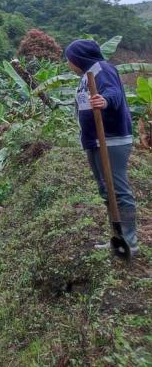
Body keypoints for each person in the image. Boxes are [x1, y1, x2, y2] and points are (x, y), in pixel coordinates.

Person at [65, 39, 139, 256]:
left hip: (111, 140)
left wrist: (104, 100)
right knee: (107, 191)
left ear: (79, 58)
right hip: (95, 141)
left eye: (69, 58)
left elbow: (114, 93)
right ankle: (117, 238)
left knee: (119, 191)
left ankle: (130, 241)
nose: (68, 63)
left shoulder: (102, 69)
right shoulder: (85, 76)